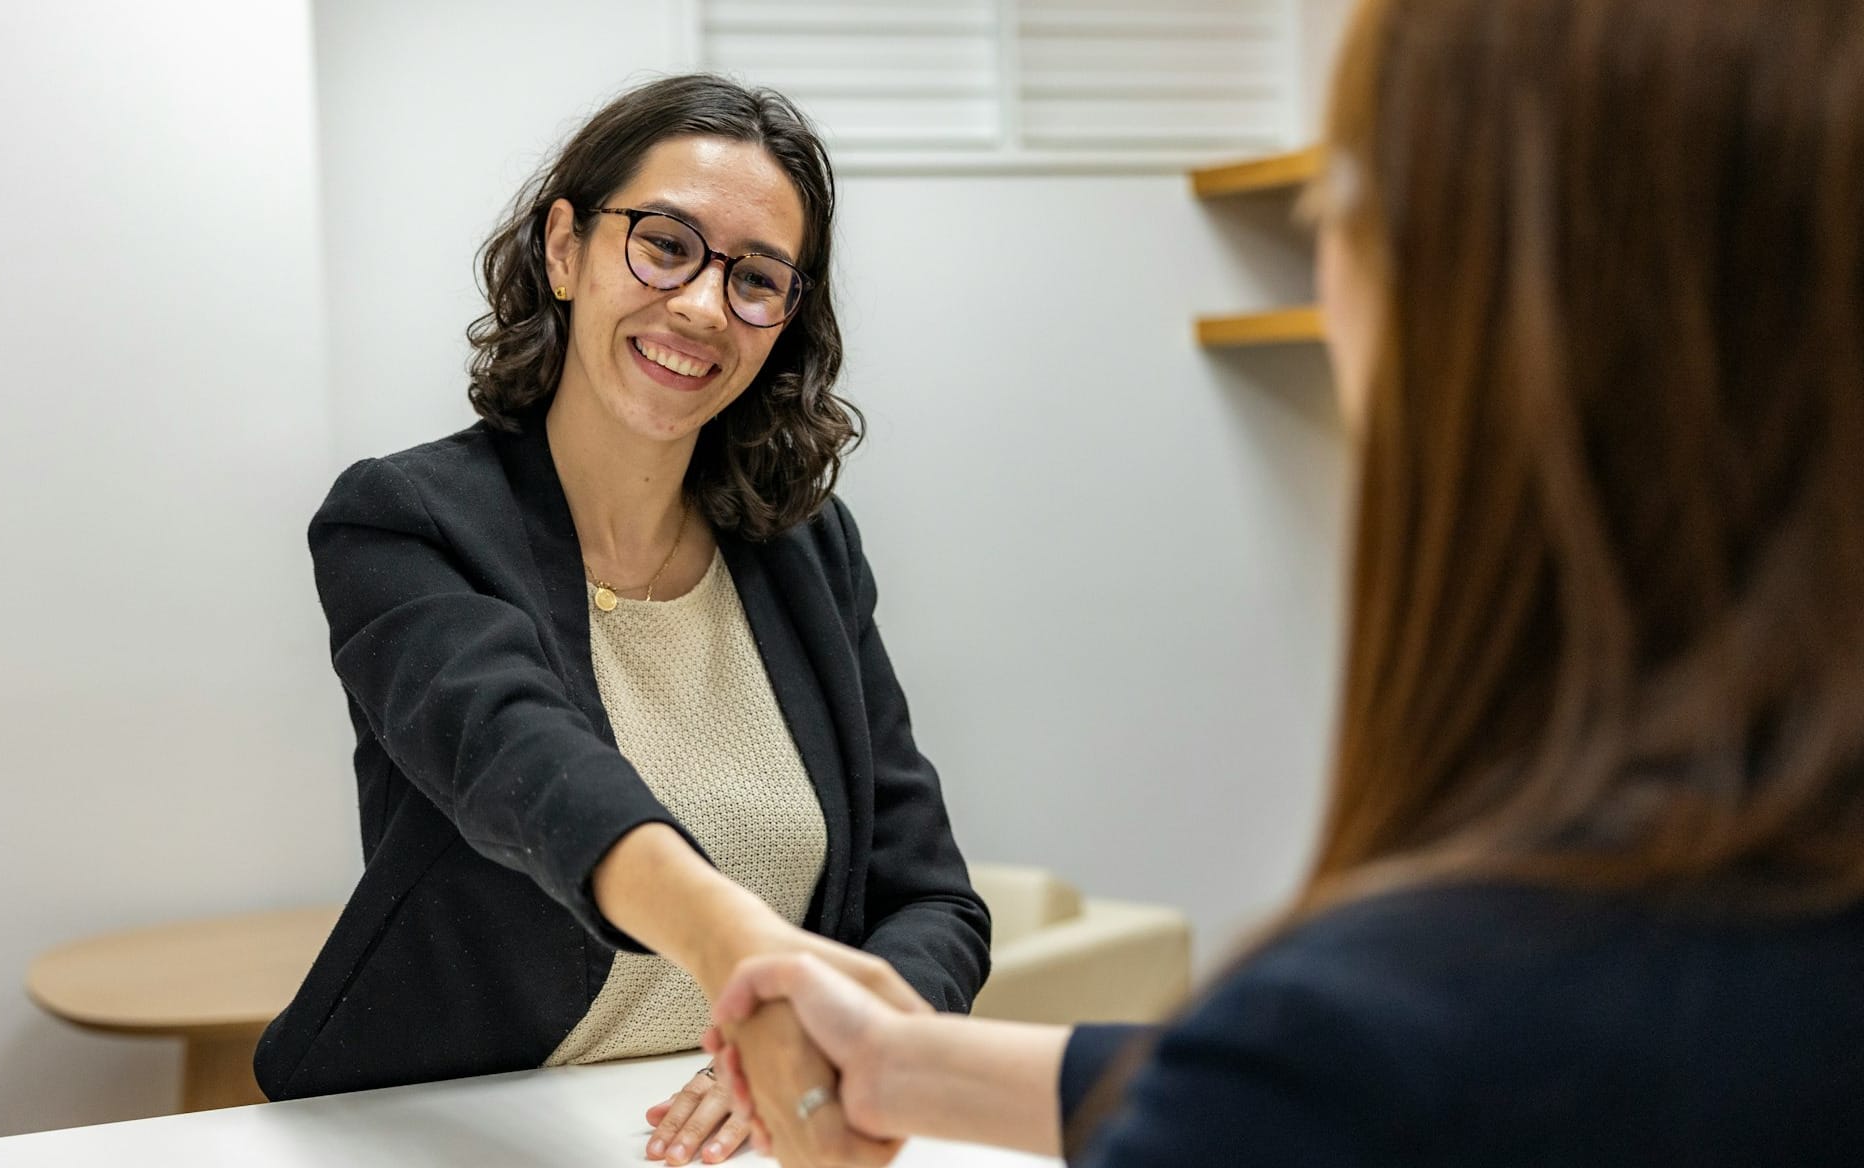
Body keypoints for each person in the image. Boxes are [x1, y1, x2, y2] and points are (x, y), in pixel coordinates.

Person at [704, 0, 1864, 1164]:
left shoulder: (1377, 1033)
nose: (702, 304)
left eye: (1339, 211)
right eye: (662, 245)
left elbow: (1328, 1075)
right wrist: (911, 1065)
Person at [252, 75, 991, 1168]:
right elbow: (527, 766)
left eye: (754, 279)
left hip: (732, 1135)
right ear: (564, 249)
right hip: (448, 1132)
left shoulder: (805, 551)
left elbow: (930, 900)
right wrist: (746, 955)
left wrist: (832, 1047)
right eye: (664, 244)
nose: (700, 305)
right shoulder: (403, 521)